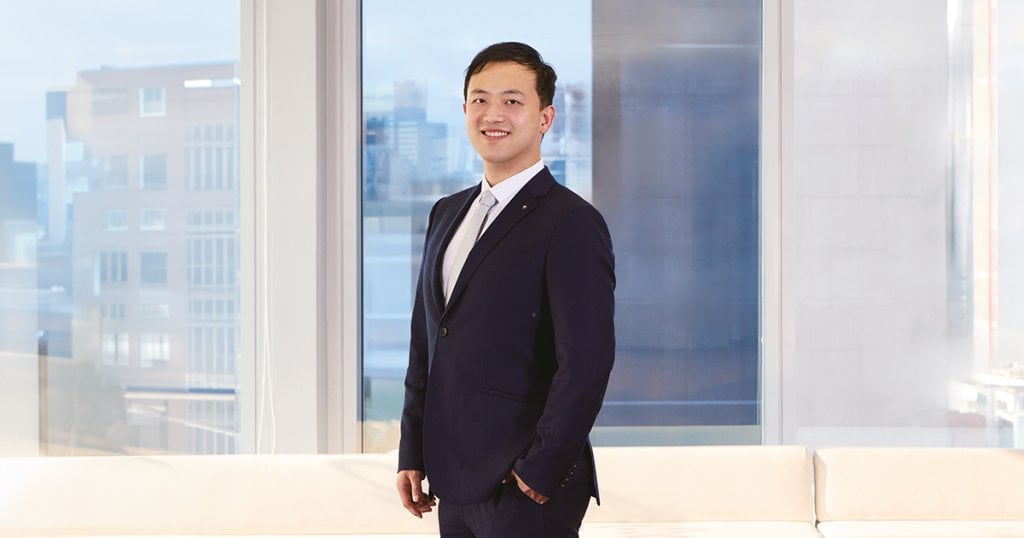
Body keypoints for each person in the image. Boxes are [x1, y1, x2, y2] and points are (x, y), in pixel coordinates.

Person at [396, 41, 616, 537]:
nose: (493, 114)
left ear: (545, 118)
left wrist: (538, 470)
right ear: (465, 110)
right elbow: (426, 343)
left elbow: (587, 363)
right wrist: (412, 451)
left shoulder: (571, 222)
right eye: (480, 99)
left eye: (512, 101)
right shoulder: (446, 213)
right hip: (453, 481)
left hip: (527, 487)